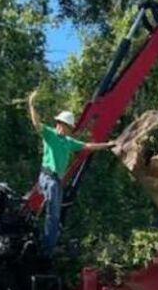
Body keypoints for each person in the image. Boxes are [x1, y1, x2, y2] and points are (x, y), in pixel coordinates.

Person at [26, 90, 117, 256]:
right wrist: (31, 104)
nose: (61, 127)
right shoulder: (50, 135)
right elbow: (36, 123)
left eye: (64, 126)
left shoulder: (69, 142)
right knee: (53, 215)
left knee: (54, 215)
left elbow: (88, 146)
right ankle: (47, 249)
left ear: (68, 129)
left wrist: (108, 145)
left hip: (56, 181)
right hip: (47, 177)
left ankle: (47, 243)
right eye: (60, 124)